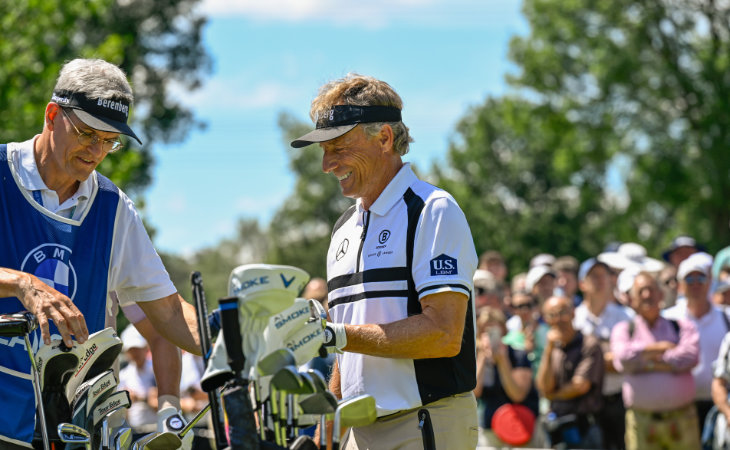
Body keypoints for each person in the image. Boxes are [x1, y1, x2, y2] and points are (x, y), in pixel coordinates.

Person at [0, 58, 200, 448]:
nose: (97, 151)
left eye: (109, 140)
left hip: (70, 430)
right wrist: (21, 283)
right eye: (88, 133)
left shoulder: (113, 207)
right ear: (52, 115)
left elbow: (169, 314)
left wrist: (238, 347)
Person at [290, 74, 478, 449]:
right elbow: (350, 345)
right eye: (323, 151)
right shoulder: (343, 227)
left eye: (339, 147)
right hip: (359, 431)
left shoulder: (432, 209)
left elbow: (443, 333)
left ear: (385, 139)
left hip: (426, 422)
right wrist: (328, 424)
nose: (328, 164)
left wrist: (335, 334)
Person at [610, 271, 701, 450]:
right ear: (632, 299)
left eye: (651, 289)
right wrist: (661, 348)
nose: (647, 295)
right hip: (642, 423)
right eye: (641, 291)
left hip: (682, 421)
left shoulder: (681, 326)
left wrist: (643, 362)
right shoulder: (623, 329)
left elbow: (690, 357)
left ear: (661, 294)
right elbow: (623, 360)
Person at [663, 253, 730, 431]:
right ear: (680, 285)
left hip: (721, 407)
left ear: (709, 283)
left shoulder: (726, 316)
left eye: (700, 277)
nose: (695, 283)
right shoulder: (668, 318)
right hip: (678, 407)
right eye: (689, 278)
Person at [573, 258, 633, 450]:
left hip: (618, 401)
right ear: (582, 283)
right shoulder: (573, 318)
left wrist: (592, 361)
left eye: (604, 275)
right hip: (584, 404)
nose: (600, 280)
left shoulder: (626, 317)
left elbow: (629, 360)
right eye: (593, 276)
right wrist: (609, 357)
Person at [536, 295, 604, 449]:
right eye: (552, 315)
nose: (558, 319)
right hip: (556, 427)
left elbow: (580, 386)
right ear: (545, 319)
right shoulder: (552, 348)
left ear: (573, 313)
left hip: (584, 428)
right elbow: (544, 386)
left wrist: (552, 395)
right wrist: (548, 350)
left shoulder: (589, 344)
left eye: (562, 312)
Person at [474, 307, 539, 448]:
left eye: (493, 331)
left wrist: (503, 361)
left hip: (521, 427)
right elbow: (475, 394)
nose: (489, 336)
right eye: (484, 331)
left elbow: (517, 395)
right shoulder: (479, 360)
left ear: (503, 330)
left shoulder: (518, 355)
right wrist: (482, 359)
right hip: (491, 428)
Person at [118, 325, 158, 437]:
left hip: (157, 429)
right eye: (131, 350)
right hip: (135, 431)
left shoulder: (157, 370)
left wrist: (139, 398)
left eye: (137, 349)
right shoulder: (124, 375)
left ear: (145, 348)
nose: (135, 353)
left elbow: (158, 403)